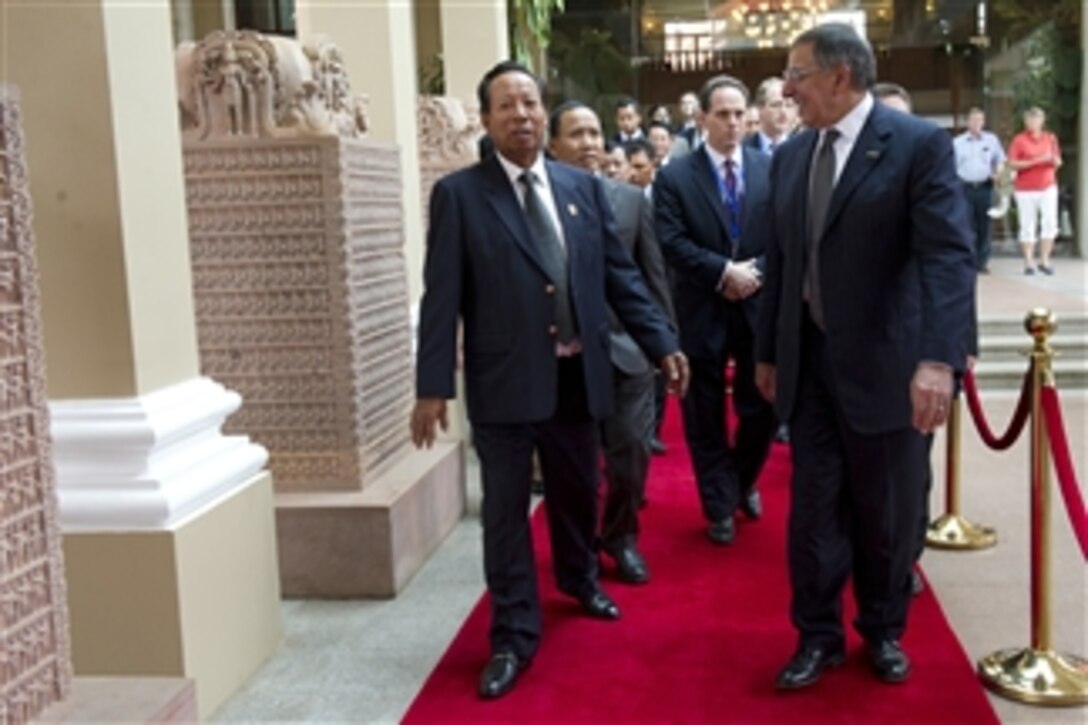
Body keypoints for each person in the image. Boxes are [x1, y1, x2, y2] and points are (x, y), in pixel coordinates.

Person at [410, 61, 689, 700]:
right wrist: (432, 386)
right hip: (505, 384)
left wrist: (662, 341)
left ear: (545, 112)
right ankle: (512, 633)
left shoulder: (580, 189)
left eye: (531, 103)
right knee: (506, 514)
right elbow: (441, 297)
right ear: (486, 120)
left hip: (576, 375)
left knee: (574, 492)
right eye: (506, 106)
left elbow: (620, 278)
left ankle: (579, 577)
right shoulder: (460, 195)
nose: (522, 115)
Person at [754, 24, 974, 690]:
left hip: (890, 368)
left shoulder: (917, 146)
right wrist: (767, 352)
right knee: (812, 511)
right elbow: (781, 261)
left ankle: (881, 630)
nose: (788, 89)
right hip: (811, 366)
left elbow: (947, 255)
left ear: (840, 76)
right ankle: (816, 635)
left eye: (798, 75)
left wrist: (938, 359)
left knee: (887, 511)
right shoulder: (793, 155)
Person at [548, 100, 676, 584]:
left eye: (595, 134)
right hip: (564, 357)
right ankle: (578, 556)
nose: (588, 144)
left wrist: (666, 343)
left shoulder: (629, 201)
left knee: (630, 458)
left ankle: (621, 537)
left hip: (626, 353)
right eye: (576, 134)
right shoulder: (533, 205)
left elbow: (651, 277)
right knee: (575, 472)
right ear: (553, 144)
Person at [655, 74, 778, 546]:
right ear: (702, 118)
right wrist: (722, 272)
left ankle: (741, 480)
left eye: (739, 114)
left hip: (757, 306)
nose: (733, 123)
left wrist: (756, 273)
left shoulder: (771, 169)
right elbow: (671, 241)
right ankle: (718, 504)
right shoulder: (675, 177)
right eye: (722, 114)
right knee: (702, 412)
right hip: (703, 306)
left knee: (761, 408)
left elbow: (788, 238)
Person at [1007, 106, 1062, 275]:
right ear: (1026, 121)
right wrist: (1037, 161)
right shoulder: (1019, 140)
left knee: (1050, 223)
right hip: (1025, 188)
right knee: (1027, 224)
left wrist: (1053, 160)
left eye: (1037, 119)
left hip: (1047, 186)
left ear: (1042, 121)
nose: (1034, 122)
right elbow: (1012, 163)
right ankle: (1028, 262)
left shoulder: (1050, 138)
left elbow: (1058, 161)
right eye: (1031, 119)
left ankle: (1045, 260)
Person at [952, 107, 1005, 274]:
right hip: (964, 187)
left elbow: (1000, 160)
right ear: (967, 122)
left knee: (984, 225)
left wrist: (998, 172)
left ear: (983, 122)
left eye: (979, 120)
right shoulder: (957, 142)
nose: (976, 123)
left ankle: (982, 263)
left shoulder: (991, 140)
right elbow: (950, 166)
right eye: (973, 120)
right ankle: (967, 260)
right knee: (966, 225)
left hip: (984, 187)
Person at [744, 77, 796, 155]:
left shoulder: (803, 148)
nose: (783, 112)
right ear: (760, 108)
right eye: (776, 105)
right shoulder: (743, 148)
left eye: (789, 105)